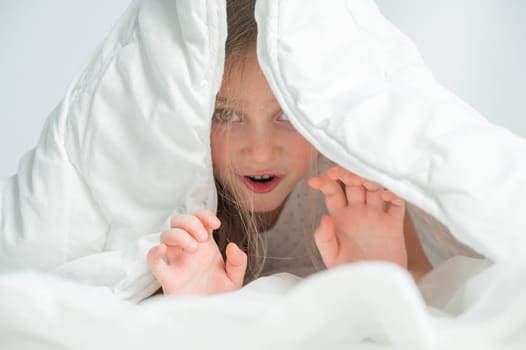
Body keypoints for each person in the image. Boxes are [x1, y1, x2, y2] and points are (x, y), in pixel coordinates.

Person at [147, 0, 432, 296]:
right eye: (226, 115)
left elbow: (425, 278)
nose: (260, 153)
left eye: (286, 115)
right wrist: (200, 305)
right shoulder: (185, 200)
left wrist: (385, 276)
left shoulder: (353, 189)